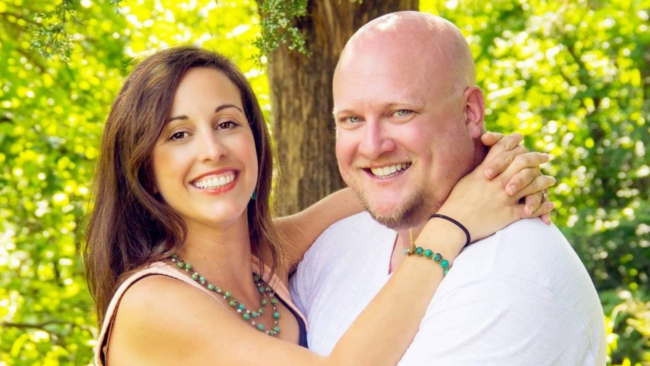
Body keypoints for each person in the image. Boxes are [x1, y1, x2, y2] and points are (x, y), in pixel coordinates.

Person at [84, 47, 553, 365]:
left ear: (254, 139)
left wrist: (488, 175)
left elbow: (367, 193)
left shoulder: (263, 256)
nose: (212, 151)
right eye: (179, 135)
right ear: (142, 164)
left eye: (227, 123)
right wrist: (452, 227)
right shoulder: (153, 304)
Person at [290, 11, 607, 366]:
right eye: (351, 120)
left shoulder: (508, 280)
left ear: (470, 112)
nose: (372, 146)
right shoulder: (335, 247)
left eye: (400, 112)